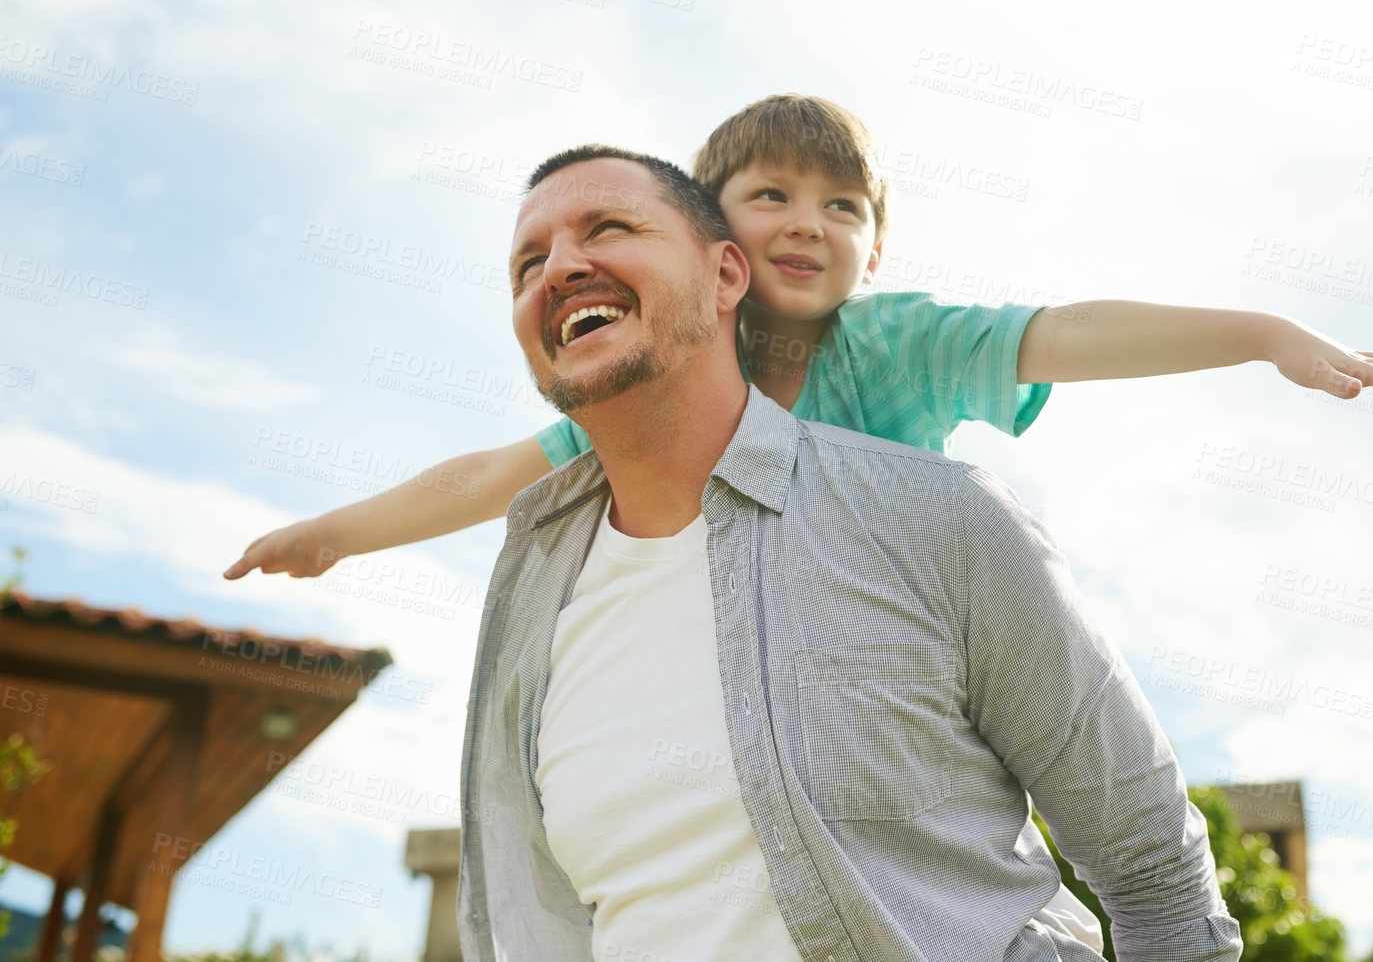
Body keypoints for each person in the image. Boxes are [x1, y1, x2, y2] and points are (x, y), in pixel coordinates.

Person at [459, 143, 1240, 960]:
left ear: (728, 276)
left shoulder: (942, 518)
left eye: (608, 227)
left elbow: (1157, 876)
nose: (560, 268)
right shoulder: (528, 612)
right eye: (526, 265)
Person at [224, 95, 1373, 581]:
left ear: (875, 246)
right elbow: (500, 473)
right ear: (714, 247)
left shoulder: (900, 340)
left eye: (844, 208)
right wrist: (340, 534)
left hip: (912, 600)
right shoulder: (681, 370)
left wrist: (1265, 333)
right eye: (772, 196)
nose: (810, 223)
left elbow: (1072, 331)